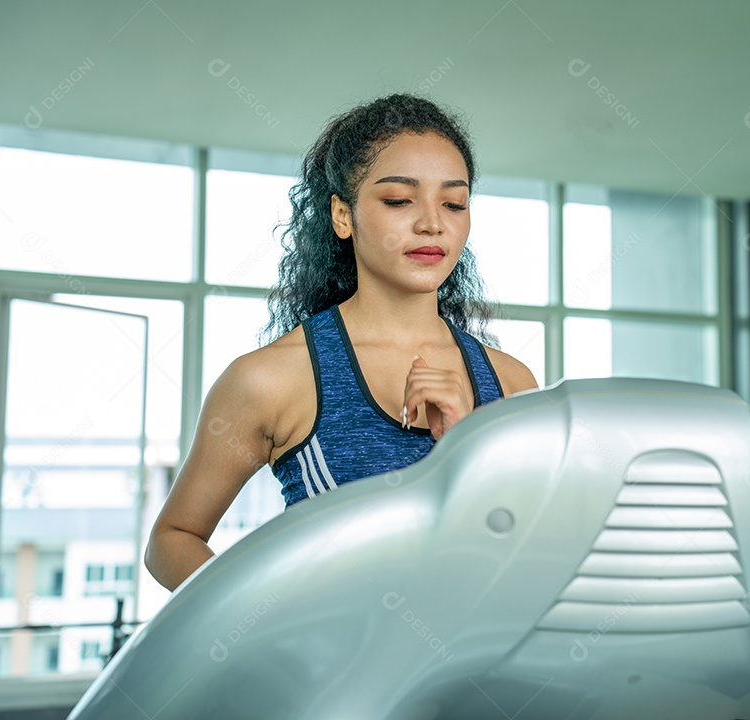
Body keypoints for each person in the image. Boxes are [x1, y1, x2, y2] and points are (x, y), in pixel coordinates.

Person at [145, 93, 538, 592]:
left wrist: (467, 443)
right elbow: (171, 539)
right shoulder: (272, 378)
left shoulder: (511, 382)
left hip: (482, 670)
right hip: (332, 672)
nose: (432, 223)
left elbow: (532, 553)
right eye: (399, 200)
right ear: (343, 216)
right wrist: (272, 625)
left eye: (454, 203)